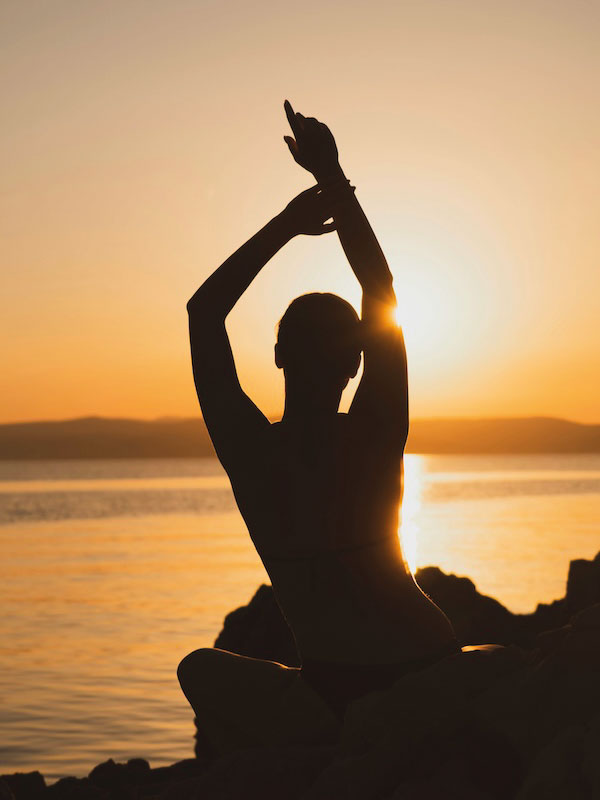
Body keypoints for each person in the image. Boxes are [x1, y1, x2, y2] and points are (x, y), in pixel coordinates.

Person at [178, 102, 458, 754]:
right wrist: (332, 178)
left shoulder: (250, 452)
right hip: (427, 665)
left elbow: (203, 314)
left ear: (277, 354)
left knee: (199, 668)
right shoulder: (376, 429)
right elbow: (380, 286)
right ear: (356, 362)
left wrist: (289, 223)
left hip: (340, 691)